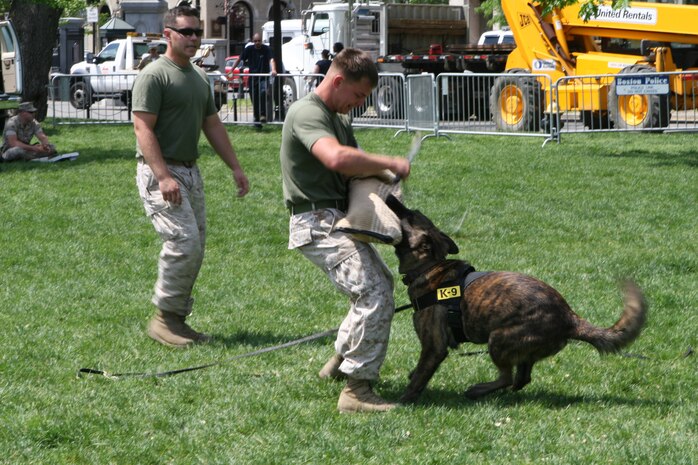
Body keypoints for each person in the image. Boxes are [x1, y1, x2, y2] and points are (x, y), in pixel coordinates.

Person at [280, 48, 411, 413]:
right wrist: (387, 161)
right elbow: (336, 158)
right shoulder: (306, 112)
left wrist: (386, 179)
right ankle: (357, 392)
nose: (358, 104)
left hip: (332, 218)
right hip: (315, 223)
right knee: (375, 291)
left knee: (374, 286)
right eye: (357, 95)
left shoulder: (338, 118)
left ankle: (337, 365)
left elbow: (352, 167)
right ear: (338, 81)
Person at [132, 4, 250, 347]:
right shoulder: (154, 75)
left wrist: (235, 167)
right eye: (186, 32)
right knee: (183, 243)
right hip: (161, 171)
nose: (194, 38)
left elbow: (211, 124)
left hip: (190, 171)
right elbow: (142, 128)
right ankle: (163, 320)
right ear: (168, 33)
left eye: (197, 32)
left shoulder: (198, 77)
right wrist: (163, 176)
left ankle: (177, 321)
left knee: (195, 246)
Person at [230, 33, 277, 128]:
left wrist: (273, 69)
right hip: (252, 78)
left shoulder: (266, 49)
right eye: (255, 41)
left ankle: (263, 114)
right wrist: (231, 70)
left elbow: (272, 60)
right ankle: (257, 119)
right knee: (254, 99)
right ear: (253, 41)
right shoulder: (249, 49)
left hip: (263, 77)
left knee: (263, 92)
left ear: (261, 40)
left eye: (259, 41)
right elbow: (239, 59)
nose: (257, 43)